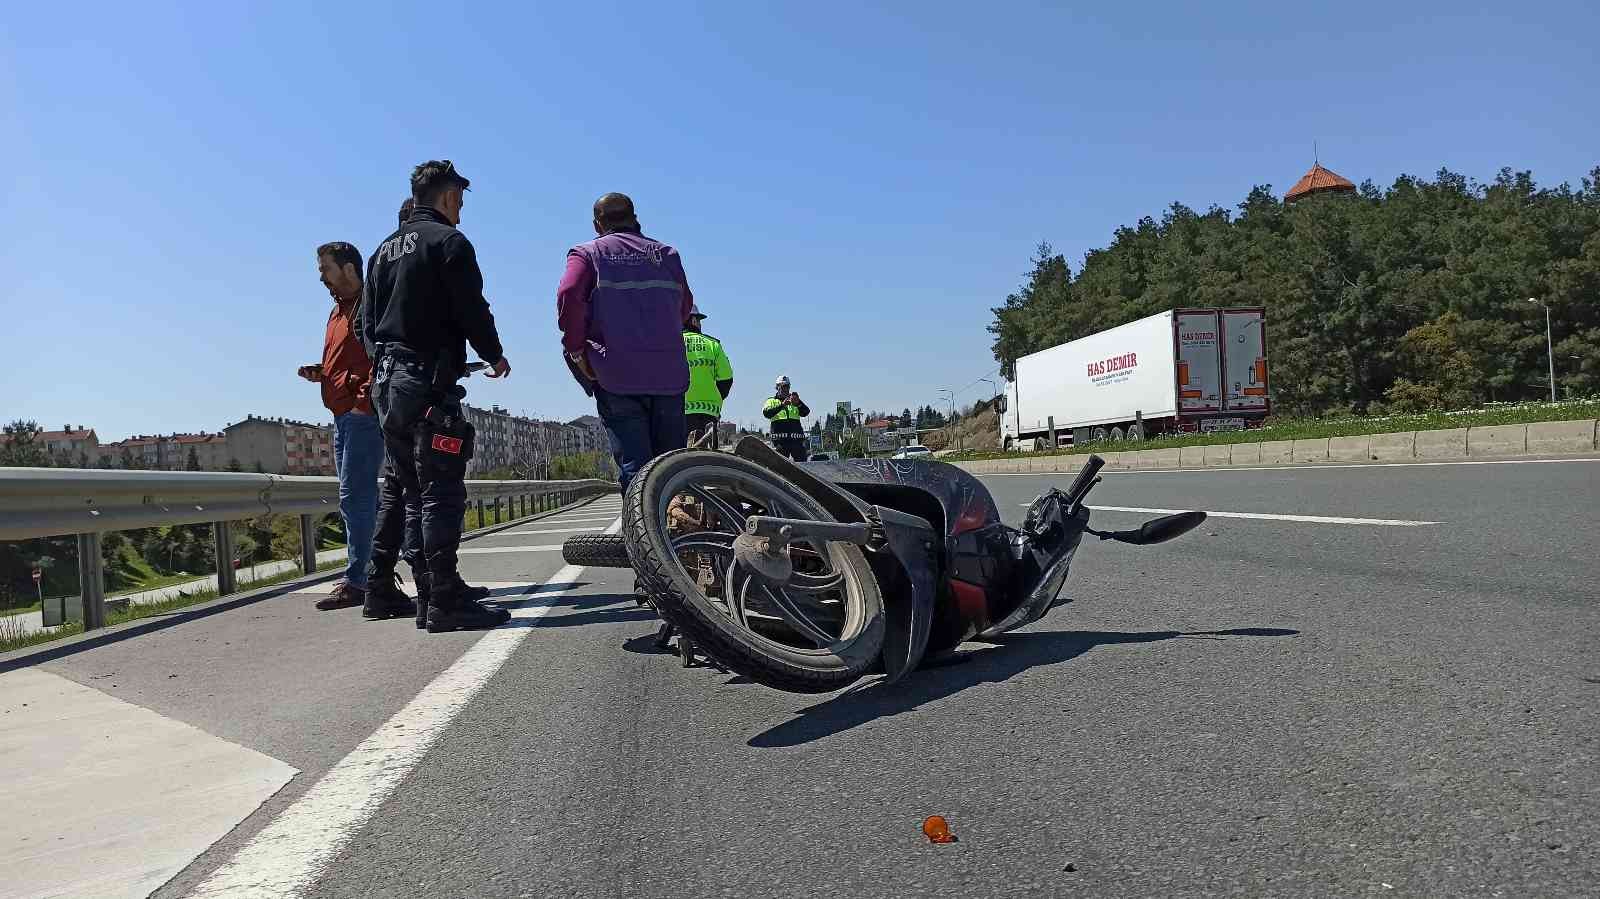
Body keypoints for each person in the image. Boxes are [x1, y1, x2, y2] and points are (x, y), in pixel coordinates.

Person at [360, 160, 512, 632]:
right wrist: (494, 354)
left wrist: (387, 361)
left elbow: (367, 325)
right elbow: (471, 307)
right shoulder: (449, 242)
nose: (461, 210)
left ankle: (429, 595)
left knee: (411, 493)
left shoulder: (381, 251)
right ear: (448, 197)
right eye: (460, 201)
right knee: (441, 492)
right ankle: (444, 598)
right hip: (425, 383)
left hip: (387, 385)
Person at [557, 192, 694, 489]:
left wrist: (578, 352)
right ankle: (675, 518)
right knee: (672, 468)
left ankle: (640, 520)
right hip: (668, 375)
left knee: (637, 469)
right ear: (635, 219)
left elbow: (568, 295)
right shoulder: (667, 255)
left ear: (597, 224)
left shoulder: (587, 254)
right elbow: (684, 308)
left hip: (617, 375)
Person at [299, 241, 383, 611]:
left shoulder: (371, 305)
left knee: (355, 497)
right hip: (341, 416)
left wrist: (364, 401)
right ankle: (372, 574)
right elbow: (347, 362)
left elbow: (382, 356)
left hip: (362, 415)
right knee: (360, 499)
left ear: (349, 268)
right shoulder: (336, 313)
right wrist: (323, 373)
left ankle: (359, 580)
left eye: (325, 270)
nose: (321, 278)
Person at [683, 305, 733, 449]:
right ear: (693, 320)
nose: (700, 324)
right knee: (708, 457)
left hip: (678, 411)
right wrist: (716, 398)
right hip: (708, 413)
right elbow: (726, 379)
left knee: (680, 457)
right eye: (699, 320)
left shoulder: (671, 343)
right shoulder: (713, 345)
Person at [763, 375, 811, 461]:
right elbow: (766, 413)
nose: (786, 389)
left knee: (803, 465)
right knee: (780, 466)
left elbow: (806, 412)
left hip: (796, 441)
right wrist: (782, 405)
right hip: (780, 442)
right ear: (777, 387)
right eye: (783, 386)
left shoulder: (794, 400)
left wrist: (798, 403)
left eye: (787, 386)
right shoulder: (771, 401)